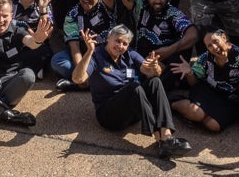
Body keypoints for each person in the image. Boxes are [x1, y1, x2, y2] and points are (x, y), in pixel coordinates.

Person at [69, 25, 192, 158]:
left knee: (155, 82)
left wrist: (154, 68)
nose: (120, 46)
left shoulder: (130, 54)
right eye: (117, 41)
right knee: (133, 87)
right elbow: (78, 79)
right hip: (110, 116)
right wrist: (88, 52)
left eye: (124, 43)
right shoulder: (96, 56)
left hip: (133, 110)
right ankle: (160, 140)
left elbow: (149, 71)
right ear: (108, 38)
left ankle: (167, 136)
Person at [171, 28, 239, 133]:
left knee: (214, 126)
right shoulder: (205, 57)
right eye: (209, 45)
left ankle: (196, 112)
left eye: (215, 41)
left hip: (231, 99)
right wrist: (189, 72)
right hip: (208, 91)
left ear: (224, 37)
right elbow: (194, 84)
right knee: (196, 114)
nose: (214, 47)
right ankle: (172, 104)